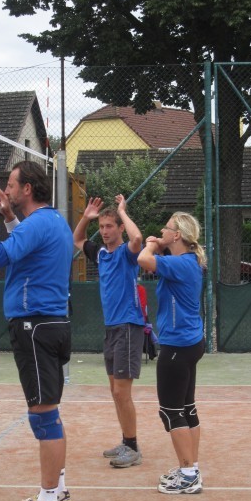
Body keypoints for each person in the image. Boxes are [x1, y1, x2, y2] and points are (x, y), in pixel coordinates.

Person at [0, 161, 73, 501]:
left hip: (35, 326)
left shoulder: (39, 223)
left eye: (11, 185)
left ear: (27, 189)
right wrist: (10, 218)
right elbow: (26, 250)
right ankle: (58, 491)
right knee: (50, 412)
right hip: (51, 324)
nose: (7, 190)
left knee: (43, 416)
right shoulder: (53, 221)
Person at [137, 212, 206, 494]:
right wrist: (159, 246)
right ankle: (191, 468)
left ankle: (188, 475)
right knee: (187, 408)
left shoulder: (180, 263)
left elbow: (143, 260)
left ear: (177, 235)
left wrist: (151, 245)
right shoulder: (187, 262)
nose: (162, 231)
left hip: (178, 346)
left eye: (166, 228)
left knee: (170, 412)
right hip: (190, 343)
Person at [73, 195, 144, 468]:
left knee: (121, 392)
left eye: (109, 226)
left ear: (119, 228)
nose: (104, 231)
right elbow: (77, 239)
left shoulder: (127, 253)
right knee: (115, 390)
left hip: (128, 326)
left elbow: (137, 238)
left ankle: (133, 448)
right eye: (101, 226)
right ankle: (126, 441)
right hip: (112, 328)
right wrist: (86, 217)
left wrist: (123, 211)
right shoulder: (101, 254)